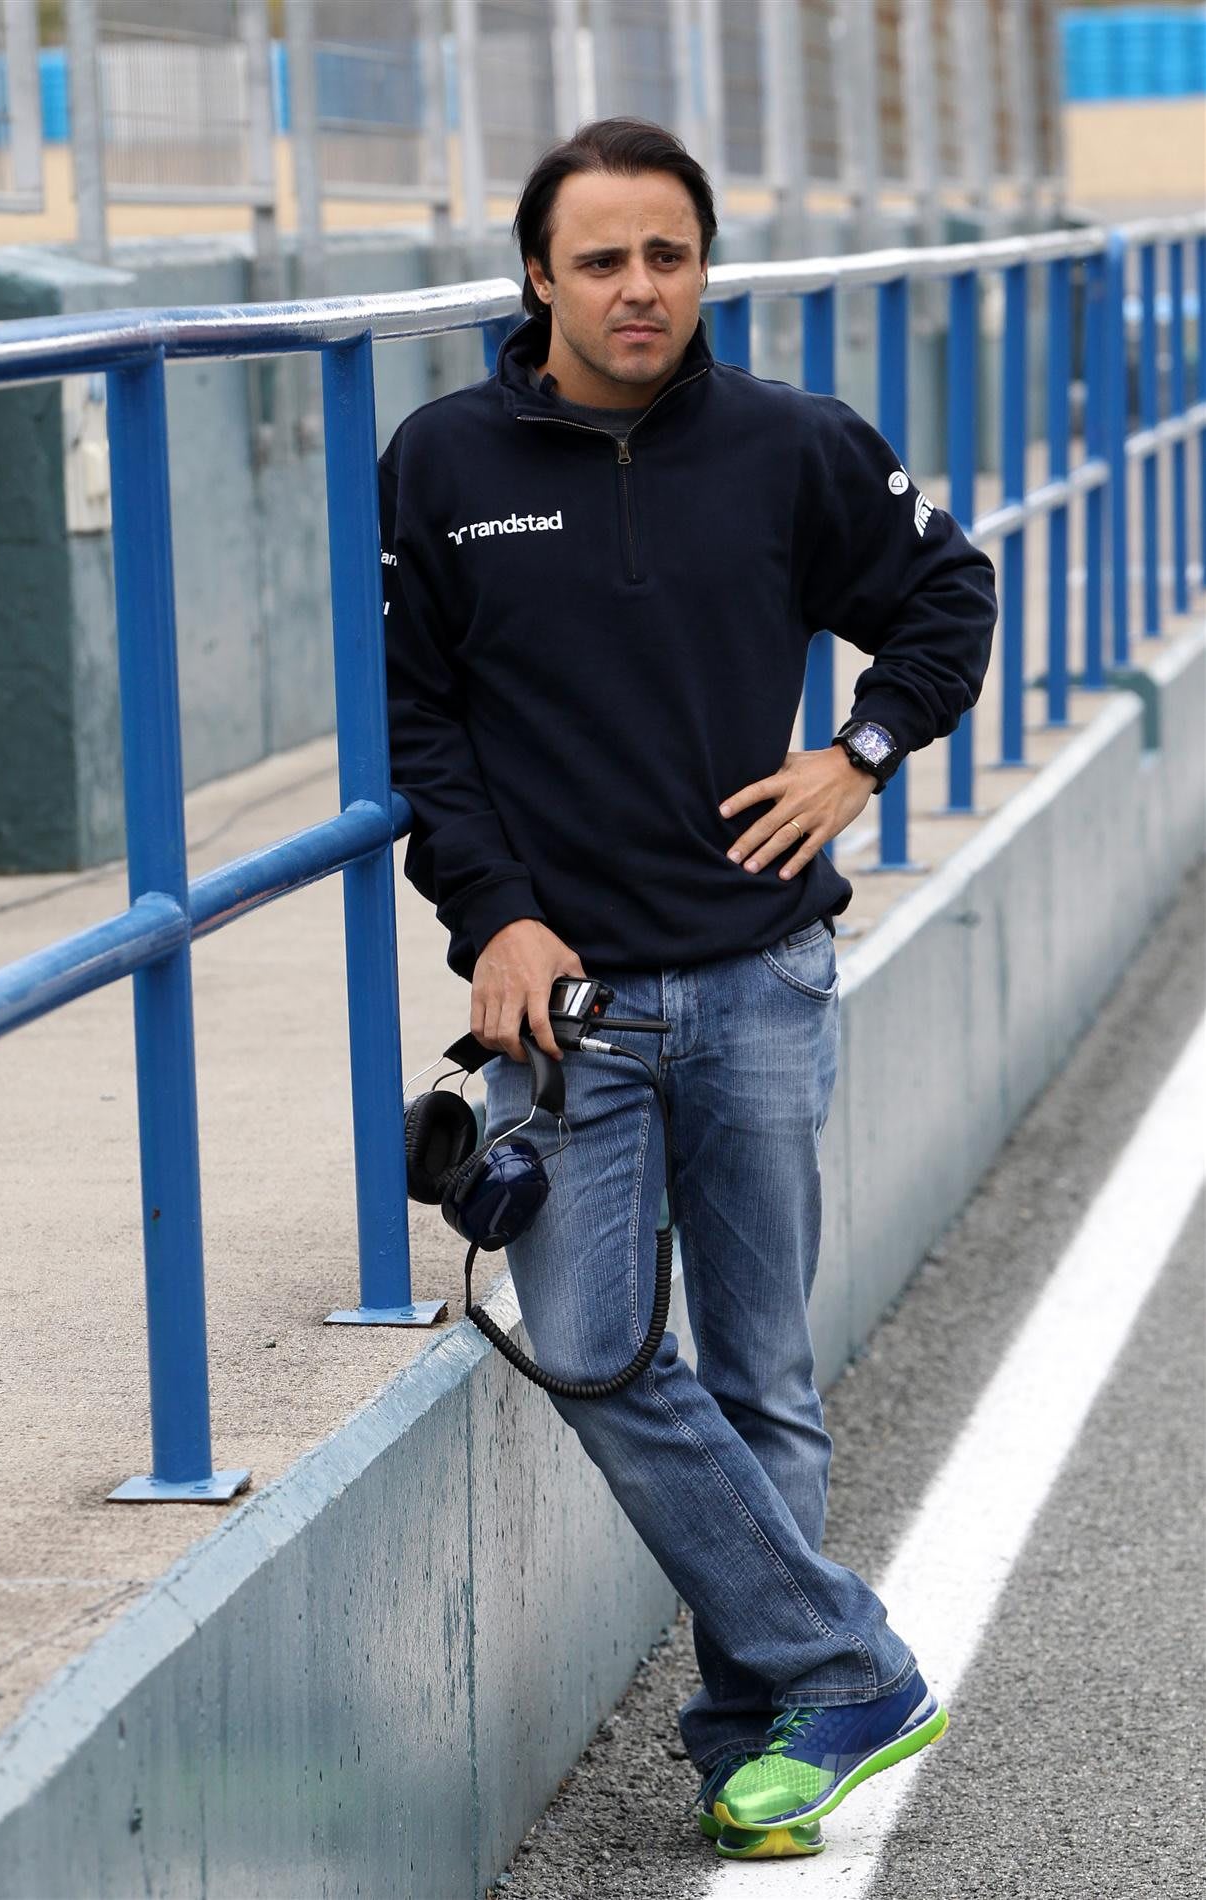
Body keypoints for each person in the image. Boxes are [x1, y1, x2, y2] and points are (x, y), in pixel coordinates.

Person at [380, 118, 997, 1861]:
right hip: (563, 1007)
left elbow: (950, 595)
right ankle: (848, 1669)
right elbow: (420, 727)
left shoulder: (794, 447)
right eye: (601, 260)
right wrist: (491, 915)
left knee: (760, 1375)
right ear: (537, 277)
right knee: (586, 1342)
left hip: (758, 981)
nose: (637, 288)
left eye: (668, 256)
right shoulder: (441, 462)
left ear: (703, 268)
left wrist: (861, 751)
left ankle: (759, 1735)